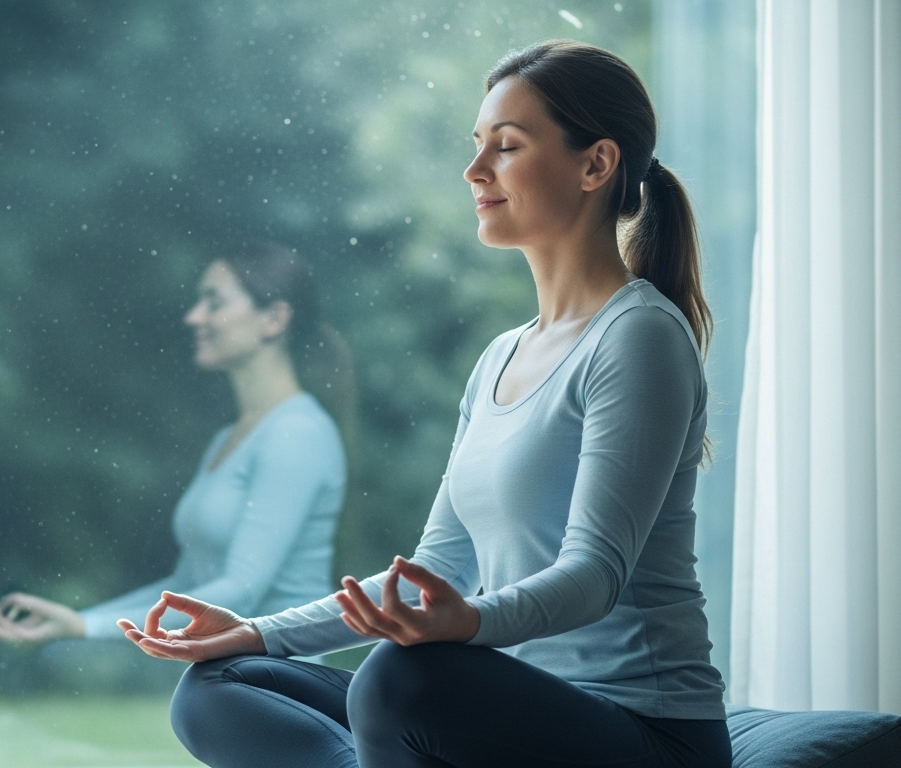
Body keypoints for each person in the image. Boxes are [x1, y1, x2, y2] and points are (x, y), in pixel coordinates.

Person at [118, 40, 731, 768]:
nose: (474, 171)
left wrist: (467, 622)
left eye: (505, 147)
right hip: (510, 708)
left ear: (595, 165)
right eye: (477, 147)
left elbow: (594, 576)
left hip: (644, 732)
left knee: (394, 682)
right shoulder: (500, 356)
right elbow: (434, 569)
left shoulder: (639, 337)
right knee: (218, 686)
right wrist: (256, 631)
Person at [0, 242, 353, 688]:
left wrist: (88, 628)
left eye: (215, 302)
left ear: (275, 319)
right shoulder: (226, 441)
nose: (195, 317)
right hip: (236, 678)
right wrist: (79, 621)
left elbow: (241, 590)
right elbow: (188, 582)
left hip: (286, 685)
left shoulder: (297, 432)